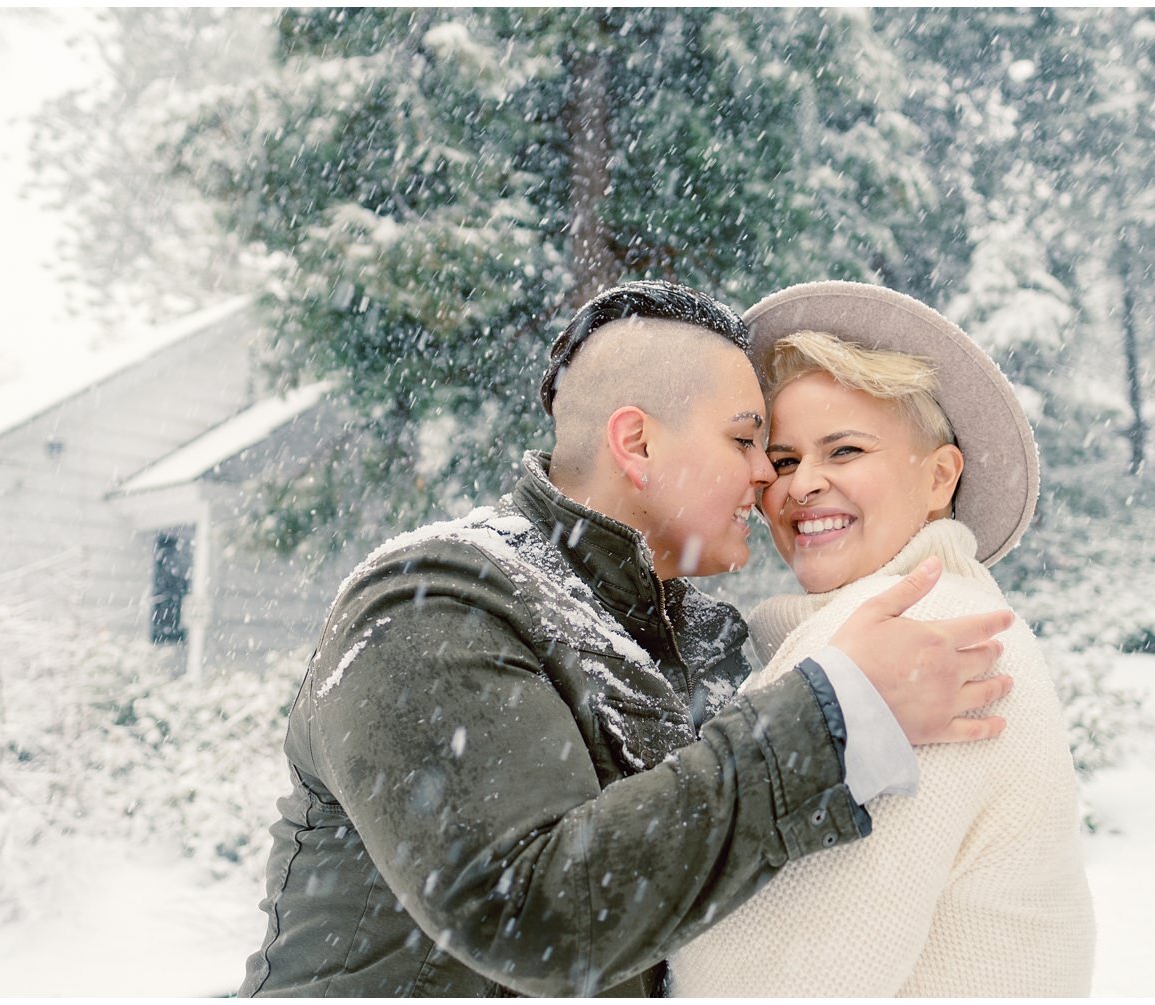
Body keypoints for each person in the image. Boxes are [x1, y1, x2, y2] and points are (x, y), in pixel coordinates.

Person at [238, 281, 1016, 997]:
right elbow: (527, 913)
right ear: (637, 444)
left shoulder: (710, 645)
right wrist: (829, 717)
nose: (766, 478)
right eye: (748, 441)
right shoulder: (433, 603)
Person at [668, 281, 1096, 996]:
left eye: (845, 449)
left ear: (938, 476)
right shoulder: (941, 613)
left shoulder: (914, 638)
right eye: (783, 457)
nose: (802, 484)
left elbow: (767, 976)